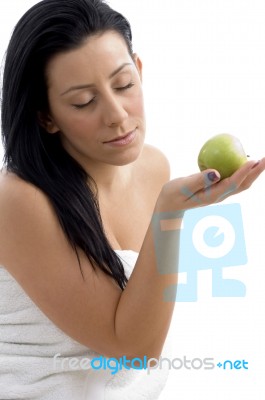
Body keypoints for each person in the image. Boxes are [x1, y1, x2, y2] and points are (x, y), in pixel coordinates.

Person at [0, 0, 264, 399]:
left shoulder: (152, 166)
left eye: (124, 85)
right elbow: (135, 351)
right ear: (46, 117)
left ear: (139, 70)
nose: (118, 115)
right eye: (84, 102)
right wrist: (171, 214)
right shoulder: (18, 200)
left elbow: (143, 316)